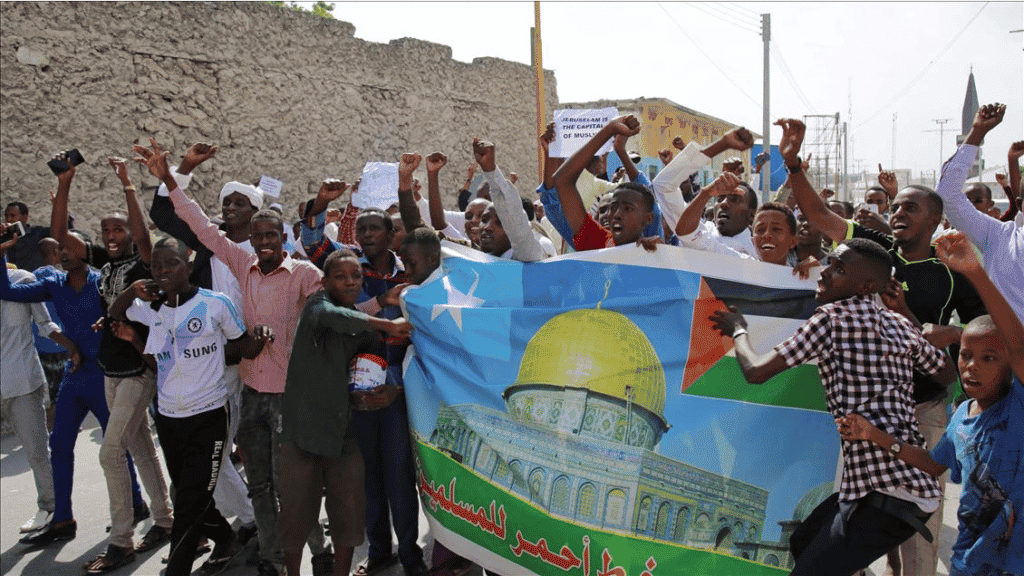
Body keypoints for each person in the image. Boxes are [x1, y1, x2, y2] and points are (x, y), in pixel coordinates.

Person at [779, 117, 986, 576]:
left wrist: (944, 332)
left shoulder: (951, 268)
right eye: (898, 206)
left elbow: (982, 327)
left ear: (935, 219)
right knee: (847, 527)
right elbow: (819, 218)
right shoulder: (872, 251)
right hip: (863, 416)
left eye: (912, 208)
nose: (899, 213)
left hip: (924, 409)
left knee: (918, 532)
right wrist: (793, 165)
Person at [709, 237, 955, 576]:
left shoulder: (831, 318)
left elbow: (756, 371)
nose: (825, 274)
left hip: (889, 494)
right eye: (830, 264)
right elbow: (945, 373)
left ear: (867, 286)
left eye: (839, 269)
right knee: (802, 542)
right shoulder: (898, 324)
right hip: (889, 487)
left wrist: (738, 331)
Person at [138, 140, 324, 576]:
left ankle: (318, 551)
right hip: (249, 384)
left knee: (291, 484)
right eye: (257, 236)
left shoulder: (302, 274)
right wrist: (169, 176)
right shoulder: (241, 263)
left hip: (287, 393)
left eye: (269, 235)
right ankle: (272, 555)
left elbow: (331, 311)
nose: (262, 242)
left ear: (283, 238)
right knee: (259, 482)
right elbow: (200, 226)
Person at [838, 230, 1024, 576]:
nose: (972, 366)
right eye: (966, 356)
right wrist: (875, 435)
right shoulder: (962, 418)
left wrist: (975, 273)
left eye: (988, 358)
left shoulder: (1017, 407)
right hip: (969, 561)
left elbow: (1017, 343)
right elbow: (933, 465)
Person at [108, 237, 271, 576]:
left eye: (171, 263)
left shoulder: (216, 304)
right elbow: (117, 315)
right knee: (190, 493)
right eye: (156, 266)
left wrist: (261, 339)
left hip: (209, 415)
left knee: (187, 505)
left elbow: (242, 346)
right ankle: (226, 539)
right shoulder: (152, 310)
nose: (163, 271)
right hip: (168, 418)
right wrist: (132, 295)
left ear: (188, 263)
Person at [48, 153, 174, 570]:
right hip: (110, 371)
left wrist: (127, 184)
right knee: (139, 448)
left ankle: (121, 542)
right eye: (106, 230)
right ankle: (166, 519)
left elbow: (142, 236)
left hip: (138, 370)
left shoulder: (141, 261)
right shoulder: (103, 264)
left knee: (109, 452)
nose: (112, 234)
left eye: (116, 228)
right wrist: (65, 183)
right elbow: (58, 236)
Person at [1, 242, 150, 557]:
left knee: (116, 445)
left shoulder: (100, 282)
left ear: (86, 252)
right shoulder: (53, 284)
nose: (65, 253)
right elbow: (7, 291)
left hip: (103, 373)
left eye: (72, 248)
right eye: (61, 250)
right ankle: (62, 519)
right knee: (60, 444)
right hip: (76, 372)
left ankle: (136, 504)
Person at [278, 248, 412, 576]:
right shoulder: (317, 307)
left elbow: (372, 372)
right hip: (303, 433)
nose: (350, 282)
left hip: (345, 435)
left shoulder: (366, 333)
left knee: (349, 513)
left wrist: (384, 391)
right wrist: (386, 322)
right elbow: (337, 317)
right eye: (341, 276)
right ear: (325, 282)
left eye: (356, 277)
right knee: (296, 513)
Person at [934, 103, 1024, 324]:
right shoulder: (999, 237)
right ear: (1021, 204)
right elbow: (947, 194)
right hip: (1003, 353)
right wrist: (977, 133)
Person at [1, 253, 59, 536]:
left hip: (22, 382)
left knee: (37, 451)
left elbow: (46, 325)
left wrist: (76, 348)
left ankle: (50, 508)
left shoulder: (22, 280)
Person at [3, 200, 51, 272]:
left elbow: (58, 233)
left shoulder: (38, 232)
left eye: (12, 215)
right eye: (6, 216)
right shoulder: (5, 237)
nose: (8, 219)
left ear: (24, 217)